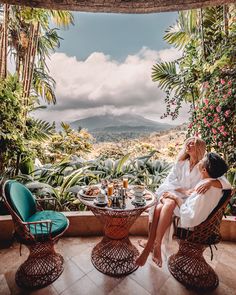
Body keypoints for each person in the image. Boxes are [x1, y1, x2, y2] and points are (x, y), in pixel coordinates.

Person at [136, 152, 231, 267]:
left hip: (190, 223)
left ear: (204, 170)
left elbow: (190, 218)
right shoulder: (213, 181)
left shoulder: (205, 191)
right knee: (163, 205)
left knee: (166, 203)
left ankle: (152, 246)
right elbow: (228, 184)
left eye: (203, 160)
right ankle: (155, 245)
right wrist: (211, 182)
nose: (200, 162)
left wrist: (176, 198)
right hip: (188, 207)